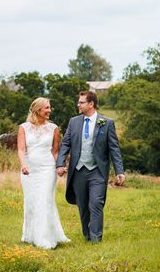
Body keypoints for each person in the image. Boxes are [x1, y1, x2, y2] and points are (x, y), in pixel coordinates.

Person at [56, 91, 125, 243]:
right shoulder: (73, 122)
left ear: (91, 104)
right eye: (79, 102)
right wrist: (60, 163)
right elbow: (66, 143)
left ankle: (95, 239)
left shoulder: (106, 123)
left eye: (81, 102)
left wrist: (119, 171)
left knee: (96, 203)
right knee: (83, 206)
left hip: (97, 172)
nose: (78, 105)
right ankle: (87, 235)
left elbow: (114, 149)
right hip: (78, 171)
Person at [17, 97, 71, 249]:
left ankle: (44, 239)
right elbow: (21, 149)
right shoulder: (23, 127)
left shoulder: (53, 128)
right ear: (37, 110)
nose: (49, 110)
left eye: (49, 107)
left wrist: (59, 166)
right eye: (46, 108)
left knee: (45, 199)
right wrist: (23, 165)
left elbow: (55, 151)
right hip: (29, 171)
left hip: (47, 169)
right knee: (32, 201)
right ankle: (30, 234)